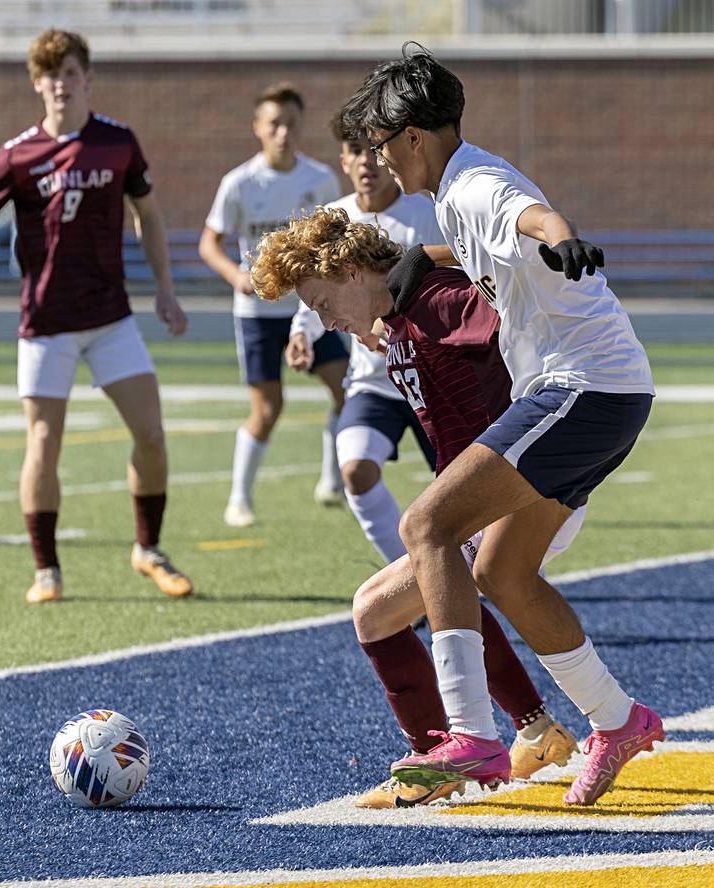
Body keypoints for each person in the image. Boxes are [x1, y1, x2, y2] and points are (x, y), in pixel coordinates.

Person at [333, 43, 663, 806]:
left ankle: (474, 739)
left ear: (414, 136)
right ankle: (618, 721)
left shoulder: (476, 184)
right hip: (605, 389)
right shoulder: (454, 193)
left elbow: (528, 214)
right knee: (500, 573)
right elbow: (487, 238)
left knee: (427, 526)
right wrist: (425, 256)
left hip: (584, 388)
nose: (378, 159)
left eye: (382, 143)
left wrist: (563, 237)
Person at [251, 207, 582, 808]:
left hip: (514, 493)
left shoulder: (436, 302)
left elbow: (509, 299)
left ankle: (450, 758)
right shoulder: (398, 318)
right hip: (490, 497)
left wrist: (433, 263)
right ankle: (537, 731)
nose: (324, 321)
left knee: (378, 609)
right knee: (388, 608)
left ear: (351, 272)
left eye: (323, 302)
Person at [0, 28, 193, 605]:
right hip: (46, 322)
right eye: (50, 74)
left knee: (151, 434)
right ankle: (46, 568)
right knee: (42, 441)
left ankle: (148, 548)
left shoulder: (118, 141)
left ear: (88, 77)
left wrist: (165, 289)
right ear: (37, 83)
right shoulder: (16, 154)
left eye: (70, 72)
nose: (60, 83)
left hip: (111, 317)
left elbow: (148, 216)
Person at [285, 111, 443, 564]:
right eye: (355, 151)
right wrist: (302, 333)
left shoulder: (427, 212)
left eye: (373, 150)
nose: (366, 162)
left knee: (462, 492)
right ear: (343, 160)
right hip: (375, 384)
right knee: (354, 469)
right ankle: (409, 579)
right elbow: (318, 296)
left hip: (435, 380)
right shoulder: (332, 223)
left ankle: (477, 574)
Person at [199, 83, 349, 528]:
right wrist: (236, 276)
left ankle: (331, 479)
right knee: (268, 408)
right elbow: (210, 242)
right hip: (259, 315)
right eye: (274, 124)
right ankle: (239, 498)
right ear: (258, 129)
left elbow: (334, 239)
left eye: (290, 124)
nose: (282, 132)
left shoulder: (320, 179)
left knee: (346, 390)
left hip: (312, 310)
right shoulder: (239, 183)